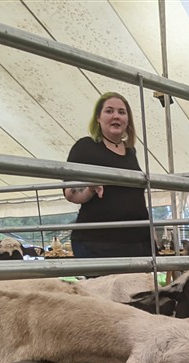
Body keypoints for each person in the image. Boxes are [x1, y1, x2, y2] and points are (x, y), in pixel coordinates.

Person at [64, 92, 154, 258]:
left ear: (128, 120)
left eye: (121, 112)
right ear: (98, 117)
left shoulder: (130, 151)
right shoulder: (86, 146)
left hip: (138, 240)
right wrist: (90, 188)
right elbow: (70, 193)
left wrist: (150, 232)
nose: (116, 116)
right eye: (109, 111)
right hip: (98, 242)